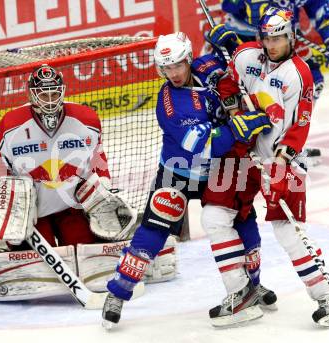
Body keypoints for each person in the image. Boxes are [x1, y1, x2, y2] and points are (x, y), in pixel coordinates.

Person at [101, 32, 275, 329]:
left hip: (221, 170)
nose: (174, 73)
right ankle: (119, 291)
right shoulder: (170, 104)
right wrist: (240, 126)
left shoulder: (209, 66)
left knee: (244, 221)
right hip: (180, 172)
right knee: (154, 230)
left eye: (178, 65)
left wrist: (235, 43)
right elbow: (206, 144)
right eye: (166, 68)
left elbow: (251, 62)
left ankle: (253, 286)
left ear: (188, 59)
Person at [201, 7, 329, 328]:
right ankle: (240, 293)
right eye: (267, 38)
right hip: (243, 155)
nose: (272, 44)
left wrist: (281, 162)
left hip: (280, 160)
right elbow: (228, 83)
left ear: (290, 37)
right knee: (213, 216)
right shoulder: (244, 56)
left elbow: (301, 124)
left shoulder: (299, 73)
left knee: (288, 231)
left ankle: (328, 299)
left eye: (278, 38)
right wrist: (231, 104)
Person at [0, 64, 127, 248]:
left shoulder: (87, 121)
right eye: (44, 95)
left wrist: (104, 185)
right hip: (32, 210)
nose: (50, 101)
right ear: (31, 94)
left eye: (54, 94)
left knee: (83, 250)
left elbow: (98, 161)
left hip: (70, 207)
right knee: (35, 263)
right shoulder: (11, 126)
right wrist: (11, 199)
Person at [219, 0, 329, 101]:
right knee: (236, 88)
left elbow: (322, 5)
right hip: (242, 37)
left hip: (285, 35)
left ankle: (285, 135)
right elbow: (227, 5)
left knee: (311, 82)